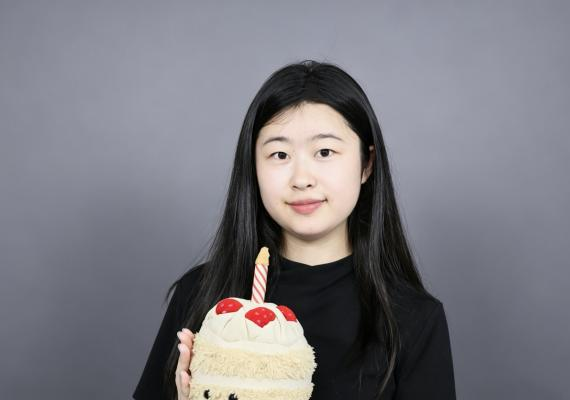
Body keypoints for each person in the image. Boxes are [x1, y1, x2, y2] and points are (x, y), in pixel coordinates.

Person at [133, 60, 456, 400]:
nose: (302, 179)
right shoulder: (203, 298)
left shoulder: (414, 318)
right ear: (253, 166)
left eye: (325, 152)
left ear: (366, 163)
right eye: (279, 154)